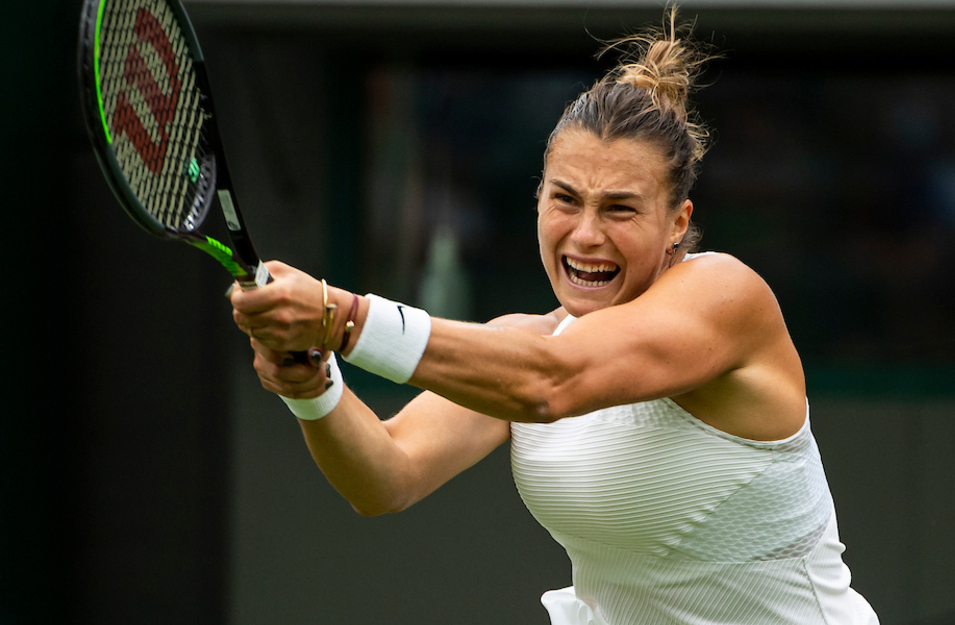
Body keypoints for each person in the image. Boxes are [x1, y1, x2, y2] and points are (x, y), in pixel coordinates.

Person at [230, 9, 878, 625]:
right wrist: (311, 384)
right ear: (538, 198)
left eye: (620, 208)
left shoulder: (725, 295)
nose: (585, 235)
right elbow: (386, 474)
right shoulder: (522, 344)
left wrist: (339, 317)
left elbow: (550, 383)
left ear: (677, 222)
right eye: (565, 199)